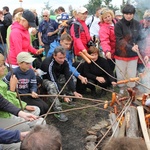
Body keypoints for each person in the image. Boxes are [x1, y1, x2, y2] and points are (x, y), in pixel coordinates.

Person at [41, 46, 82, 122]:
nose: (62, 60)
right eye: (60, 58)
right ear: (54, 56)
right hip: (46, 79)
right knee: (52, 86)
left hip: (57, 77)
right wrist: (63, 95)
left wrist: (74, 91)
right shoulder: (48, 64)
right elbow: (54, 81)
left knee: (73, 78)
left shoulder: (64, 61)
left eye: (64, 57)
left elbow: (68, 76)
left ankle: (69, 98)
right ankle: (58, 111)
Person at [114, 4, 142, 94]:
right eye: (127, 13)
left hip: (133, 54)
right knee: (121, 73)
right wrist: (131, 47)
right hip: (121, 53)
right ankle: (121, 89)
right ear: (123, 14)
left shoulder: (137, 24)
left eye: (131, 14)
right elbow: (119, 40)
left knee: (131, 73)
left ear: (133, 14)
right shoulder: (118, 24)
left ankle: (131, 90)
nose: (129, 16)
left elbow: (140, 38)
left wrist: (137, 45)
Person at [99, 8, 116, 72]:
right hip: (111, 52)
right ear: (102, 19)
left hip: (120, 51)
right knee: (110, 70)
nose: (108, 18)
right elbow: (104, 40)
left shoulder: (116, 23)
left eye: (108, 16)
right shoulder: (103, 28)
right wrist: (107, 51)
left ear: (111, 15)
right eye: (105, 18)